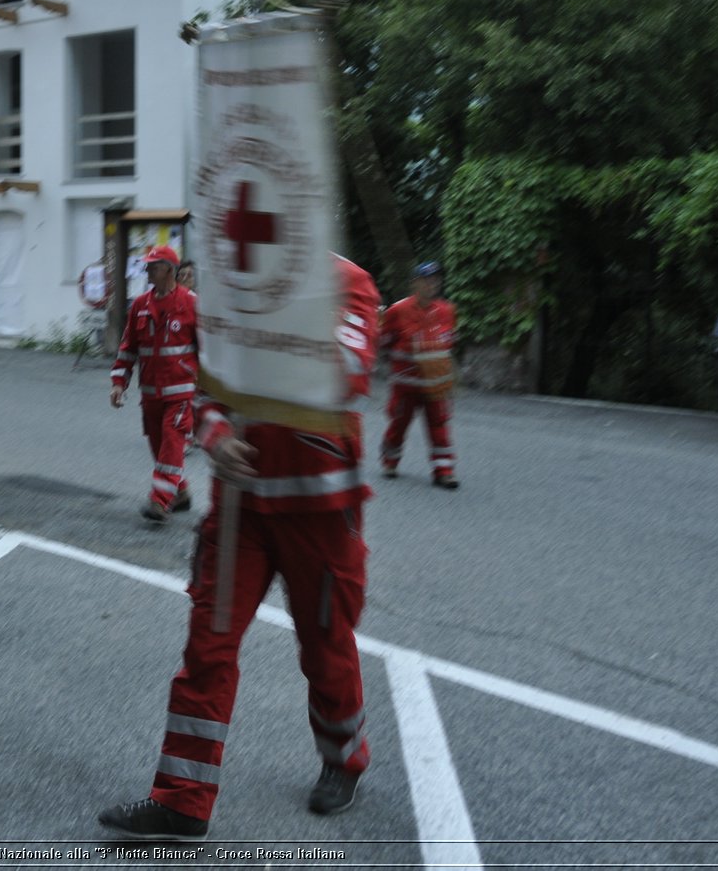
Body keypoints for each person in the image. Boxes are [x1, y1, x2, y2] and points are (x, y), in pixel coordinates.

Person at [98, 254, 382, 838]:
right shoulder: (233, 287)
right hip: (241, 513)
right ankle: (182, 799)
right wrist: (217, 436)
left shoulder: (346, 283)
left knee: (324, 645)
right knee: (207, 647)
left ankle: (343, 758)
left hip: (319, 515)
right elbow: (208, 394)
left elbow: (346, 373)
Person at [110, 245, 199, 522]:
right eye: (147, 265)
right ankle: (180, 492)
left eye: (153, 266)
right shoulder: (139, 306)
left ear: (169, 271)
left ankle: (160, 501)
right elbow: (128, 348)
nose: (147, 269)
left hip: (181, 392)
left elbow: (210, 351)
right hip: (150, 395)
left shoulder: (192, 304)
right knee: (160, 447)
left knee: (172, 443)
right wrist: (118, 382)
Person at [379, 260, 459, 488]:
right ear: (415, 283)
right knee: (398, 425)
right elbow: (384, 341)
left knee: (439, 426)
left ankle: (444, 471)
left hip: (435, 384)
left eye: (436, 280)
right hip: (405, 385)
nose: (432, 284)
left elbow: (450, 342)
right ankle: (390, 461)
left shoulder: (447, 311)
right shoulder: (398, 310)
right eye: (427, 280)